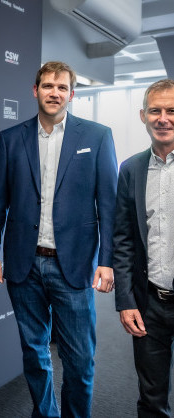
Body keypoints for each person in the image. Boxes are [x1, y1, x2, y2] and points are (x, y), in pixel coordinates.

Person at [0, 61, 118, 418]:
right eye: (48, 86)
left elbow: (109, 206)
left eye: (62, 87)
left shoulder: (97, 136)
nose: (54, 93)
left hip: (73, 265)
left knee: (79, 360)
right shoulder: (10, 139)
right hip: (24, 264)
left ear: (72, 94)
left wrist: (106, 261)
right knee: (35, 354)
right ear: (35, 90)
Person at [114, 79, 174, 417]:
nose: (163, 118)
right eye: (155, 111)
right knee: (151, 398)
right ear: (143, 116)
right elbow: (123, 239)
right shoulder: (131, 169)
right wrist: (126, 301)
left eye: (171, 111)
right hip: (149, 301)